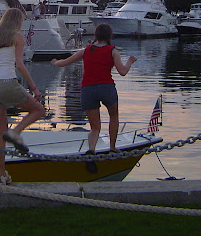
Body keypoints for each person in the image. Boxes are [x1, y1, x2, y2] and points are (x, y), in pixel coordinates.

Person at [50, 23, 136, 172]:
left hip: (88, 89)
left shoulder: (86, 50)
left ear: (95, 35)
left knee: (95, 127)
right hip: (106, 88)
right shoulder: (112, 51)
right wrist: (130, 61)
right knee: (113, 116)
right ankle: (112, 148)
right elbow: (122, 72)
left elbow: (65, 62)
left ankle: (91, 150)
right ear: (110, 36)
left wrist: (55, 62)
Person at [0, 8, 45, 184]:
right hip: (7, 82)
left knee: (1, 131)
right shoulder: (17, 37)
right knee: (39, 110)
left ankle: (1, 174)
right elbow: (20, 65)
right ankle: (15, 133)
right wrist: (34, 88)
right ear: (18, 21)